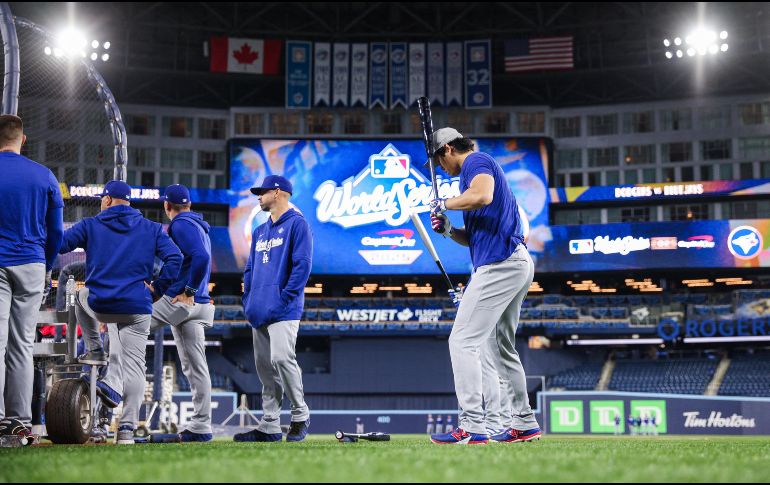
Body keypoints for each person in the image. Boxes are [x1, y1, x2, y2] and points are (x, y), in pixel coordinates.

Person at [428, 128, 540, 445]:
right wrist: (450, 230)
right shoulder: (472, 174)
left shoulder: (476, 162)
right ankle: (524, 422)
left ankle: (473, 425)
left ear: (448, 149)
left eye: (438, 161)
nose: (439, 169)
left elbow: (482, 196)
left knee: (462, 341)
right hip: (515, 263)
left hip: (500, 265)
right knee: (500, 348)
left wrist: (444, 203)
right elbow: (472, 238)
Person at [59, 180, 182, 444]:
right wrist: (157, 288)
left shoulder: (91, 224)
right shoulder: (150, 228)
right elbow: (176, 258)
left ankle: (94, 348)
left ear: (106, 200)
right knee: (136, 367)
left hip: (102, 305)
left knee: (80, 296)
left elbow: (60, 244)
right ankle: (126, 430)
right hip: (137, 306)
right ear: (128, 202)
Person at [234, 175, 313, 443]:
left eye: (263, 192)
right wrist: (249, 300)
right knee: (265, 369)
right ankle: (269, 424)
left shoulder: (298, 224)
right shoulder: (259, 231)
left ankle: (300, 415)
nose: (258, 195)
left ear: (278, 193)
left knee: (282, 359)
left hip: (284, 308)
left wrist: (284, 298)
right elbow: (249, 269)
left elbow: (302, 266)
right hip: (258, 308)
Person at [0, 114, 64, 432]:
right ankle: (19, 419)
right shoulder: (44, 176)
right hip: (32, 263)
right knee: (22, 345)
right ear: (22, 139)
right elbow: (56, 232)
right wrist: (47, 264)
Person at [148, 184, 216, 443]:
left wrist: (187, 290)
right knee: (196, 367)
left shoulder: (180, 224)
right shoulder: (198, 225)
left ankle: (108, 384)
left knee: (130, 326)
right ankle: (201, 426)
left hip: (182, 301)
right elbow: (199, 257)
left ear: (167, 206)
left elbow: (200, 257)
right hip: (198, 305)